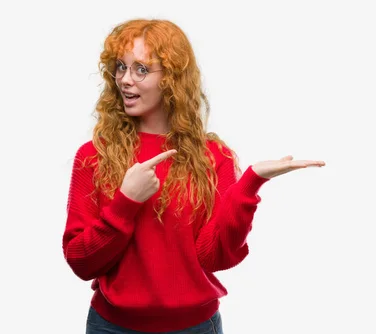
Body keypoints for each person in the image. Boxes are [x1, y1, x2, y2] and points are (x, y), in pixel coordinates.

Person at [62, 18, 325, 334]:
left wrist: (251, 182)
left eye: (141, 70)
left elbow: (215, 256)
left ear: (171, 79)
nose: (125, 80)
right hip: (113, 327)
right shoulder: (93, 155)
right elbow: (81, 262)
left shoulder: (212, 157)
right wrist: (125, 203)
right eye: (120, 67)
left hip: (195, 328)